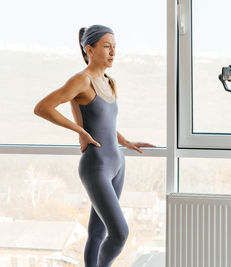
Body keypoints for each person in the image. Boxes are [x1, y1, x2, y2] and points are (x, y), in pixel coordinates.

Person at [34, 24, 155, 267]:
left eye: (114, 47)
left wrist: (124, 141)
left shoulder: (109, 82)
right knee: (120, 233)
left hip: (117, 162)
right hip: (96, 165)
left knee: (98, 233)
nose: (113, 52)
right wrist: (79, 130)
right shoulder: (81, 80)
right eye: (107, 47)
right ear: (90, 49)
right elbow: (42, 107)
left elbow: (106, 121)